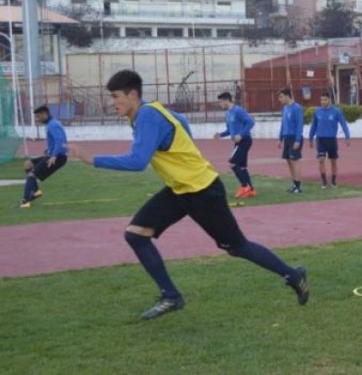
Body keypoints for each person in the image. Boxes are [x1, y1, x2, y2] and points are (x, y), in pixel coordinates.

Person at [69, 70, 308, 320]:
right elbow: (180, 120)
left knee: (237, 247)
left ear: (132, 95)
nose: (112, 102)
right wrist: (187, 151)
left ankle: (293, 275)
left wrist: (92, 159)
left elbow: (138, 161)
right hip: (180, 189)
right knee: (136, 234)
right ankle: (171, 296)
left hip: (203, 191)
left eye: (115, 96)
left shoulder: (148, 115)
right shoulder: (146, 112)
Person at [19, 105, 69, 209]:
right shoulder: (51, 124)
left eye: (39, 116)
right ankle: (36, 191)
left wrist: (54, 156)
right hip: (52, 155)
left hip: (58, 157)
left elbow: (60, 141)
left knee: (32, 175)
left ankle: (25, 202)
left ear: (44, 114)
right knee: (28, 164)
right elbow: (55, 142)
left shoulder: (53, 125)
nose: (38, 119)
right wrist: (49, 151)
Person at [213, 91, 256, 199]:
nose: (220, 104)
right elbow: (230, 130)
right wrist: (221, 134)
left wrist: (241, 135)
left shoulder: (238, 110)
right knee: (241, 167)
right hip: (238, 142)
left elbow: (250, 122)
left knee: (232, 163)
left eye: (221, 102)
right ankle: (251, 190)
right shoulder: (228, 113)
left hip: (245, 140)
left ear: (227, 100)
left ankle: (244, 186)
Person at [308, 92, 351, 188]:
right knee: (321, 160)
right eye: (321, 100)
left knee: (333, 161)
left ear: (329, 100)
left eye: (325, 100)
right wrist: (310, 138)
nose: (322, 102)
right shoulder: (317, 111)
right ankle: (324, 181)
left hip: (331, 140)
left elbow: (343, 124)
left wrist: (347, 137)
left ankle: (334, 180)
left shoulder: (336, 111)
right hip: (320, 139)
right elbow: (313, 126)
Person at [278, 88, 304, 193]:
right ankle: (294, 184)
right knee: (289, 161)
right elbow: (283, 124)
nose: (279, 99)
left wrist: (297, 140)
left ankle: (298, 186)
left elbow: (299, 125)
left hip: (294, 137)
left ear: (288, 96)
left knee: (294, 161)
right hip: (287, 138)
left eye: (281, 97)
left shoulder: (297, 108)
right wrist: (280, 139)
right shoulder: (284, 108)